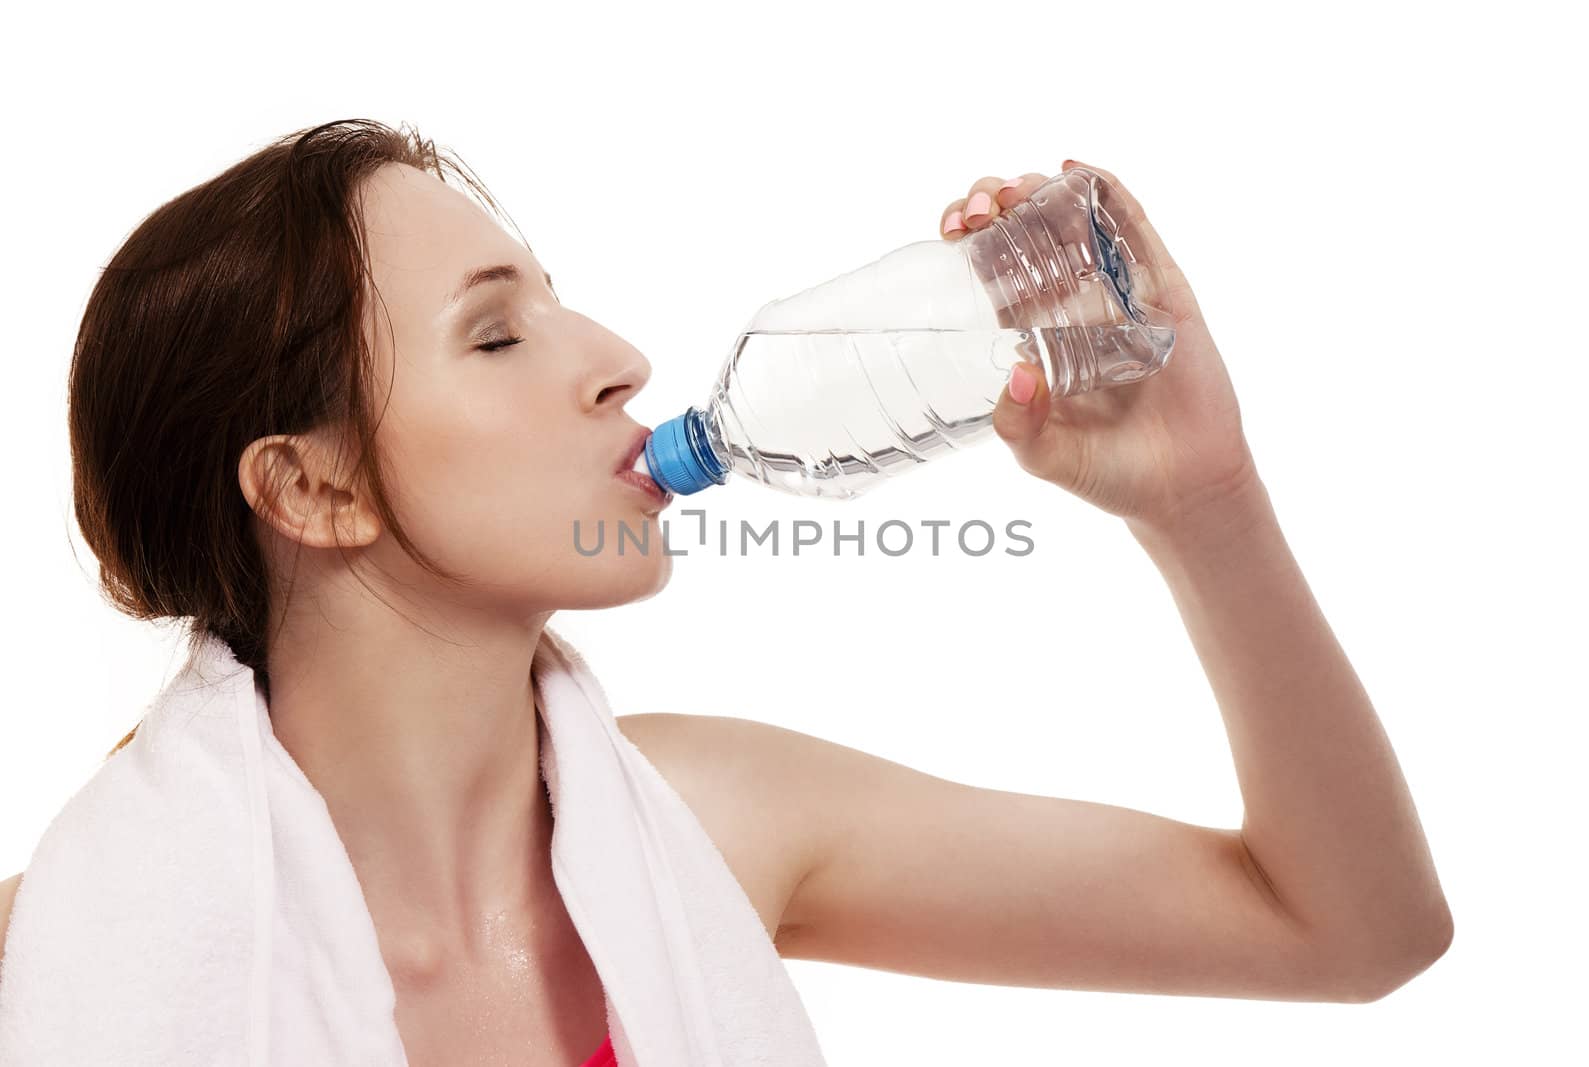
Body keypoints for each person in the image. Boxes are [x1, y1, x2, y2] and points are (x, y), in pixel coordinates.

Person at [0, 123, 1451, 1063]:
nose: (620, 355)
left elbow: (1353, 930)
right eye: (496, 336)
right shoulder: (53, 960)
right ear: (312, 488)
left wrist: (1204, 503)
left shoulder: (716, 820)